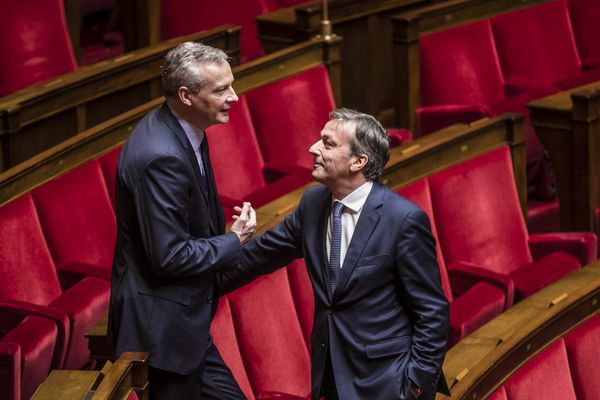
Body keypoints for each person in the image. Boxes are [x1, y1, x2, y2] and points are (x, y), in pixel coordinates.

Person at [228, 108, 451, 400]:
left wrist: (416, 384)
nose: (313, 148)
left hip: (388, 381)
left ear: (359, 161)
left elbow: (432, 311)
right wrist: (198, 273)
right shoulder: (312, 204)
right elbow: (262, 254)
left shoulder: (403, 220)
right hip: (333, 374)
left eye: (328, 143)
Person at [108, 42, 256, 400]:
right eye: (221, 90)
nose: (234, 97)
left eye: (231, 84)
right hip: (162, 329)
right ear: (186, 95)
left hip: (183, 322)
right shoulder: (162, 155)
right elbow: (169, 256)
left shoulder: (185, 126)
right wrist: (234, 239)